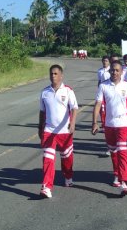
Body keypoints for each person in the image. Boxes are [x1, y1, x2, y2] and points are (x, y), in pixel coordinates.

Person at [92, 60, 127, 196]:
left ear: (122, 72)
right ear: (109, 71)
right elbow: (98, 104)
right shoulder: (103, 86)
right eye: (112, 70)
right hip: (109, 124)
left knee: (122, 152)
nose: (115, 72)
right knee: (113, 151)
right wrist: (95, 122)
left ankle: (124, 182)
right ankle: (116, 174)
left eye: (117, 70)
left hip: (123, 123)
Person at [38, 64, 79, 199]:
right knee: (48, 158)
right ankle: (46, 187)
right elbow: (42, 112)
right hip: (49, 131)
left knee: (67, 157)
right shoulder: (45, 92)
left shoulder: (68, 91)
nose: (53, 76)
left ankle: (68, 176)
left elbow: (74, 108)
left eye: (56, 74)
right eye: (51, 73)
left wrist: (72, 123)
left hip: (65, 131)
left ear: (61, 76)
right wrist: (40, 128)